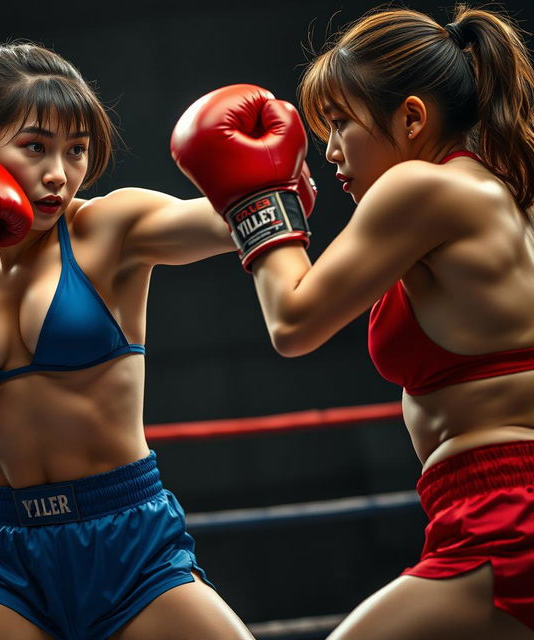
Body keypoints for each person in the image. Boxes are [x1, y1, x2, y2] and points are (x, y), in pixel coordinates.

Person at [170, 5, 534, 639]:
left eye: (339, 123)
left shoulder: (421, 189)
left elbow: (293, 321)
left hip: (505, 513)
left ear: (412, 118)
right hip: (485, 506)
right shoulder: (503, 188)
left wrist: (260, 198)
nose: (330, 151)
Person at [0, 42, 262, 640]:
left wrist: (264, 178)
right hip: (5, 559)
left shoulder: (107, 229)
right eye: (35, 147)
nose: (58, 175)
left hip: (128, 541)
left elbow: (228, 222)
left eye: (77, 151)